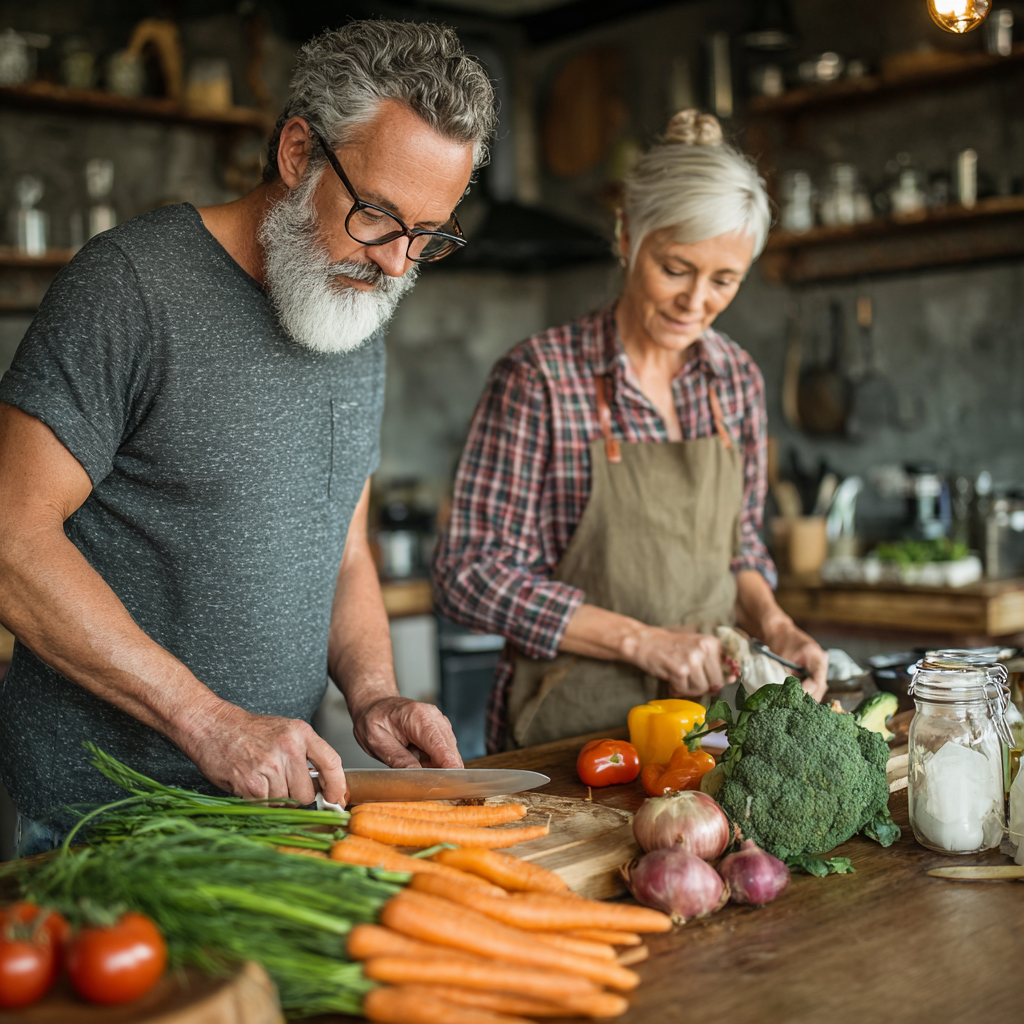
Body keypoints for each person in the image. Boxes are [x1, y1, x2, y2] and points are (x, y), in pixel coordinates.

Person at [0, 20, 496, 852]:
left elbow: (342, 550)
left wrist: (374, 695)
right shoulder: (131, 286)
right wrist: (210, 724)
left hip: (275, 813)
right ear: (298, 153)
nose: (398, 264)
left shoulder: (356, 311)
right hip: (100, 825)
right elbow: (13, 536)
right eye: (378, 216)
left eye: (429, 236)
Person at [434, 110, 828, 754]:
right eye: (676, 268)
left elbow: (740, 547)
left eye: (723, 280)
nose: (695, 302)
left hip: (713, 729)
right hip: (571, 732)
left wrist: (776, 626)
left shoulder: (736, 381)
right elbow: (468, 574)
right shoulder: (541, 377)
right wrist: (642, 641)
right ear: (627, 236)